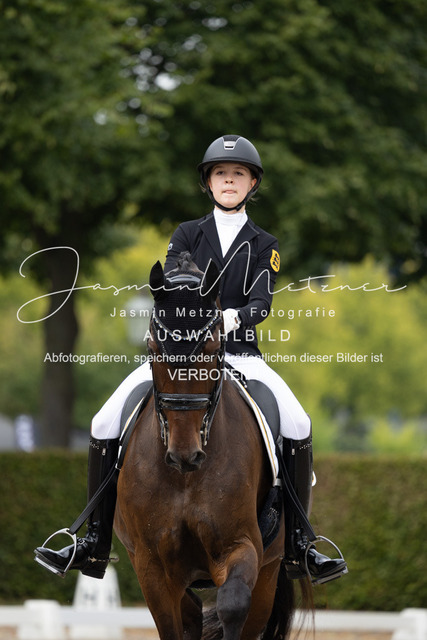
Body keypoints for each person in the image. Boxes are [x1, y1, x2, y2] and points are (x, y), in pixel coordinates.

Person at [35, 134, 347, 584]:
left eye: (238, 174)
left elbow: (261, 303)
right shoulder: (187, 234)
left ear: (252, 183)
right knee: (103, 421)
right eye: (221, 173)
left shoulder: (264, 242)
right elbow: (172, 286)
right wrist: (191, 323)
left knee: (298, 423)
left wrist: (227, 321)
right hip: (180, 352)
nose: (229, 180)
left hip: (239, 353)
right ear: (208, 182)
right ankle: (93, 542)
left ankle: (301, 546)